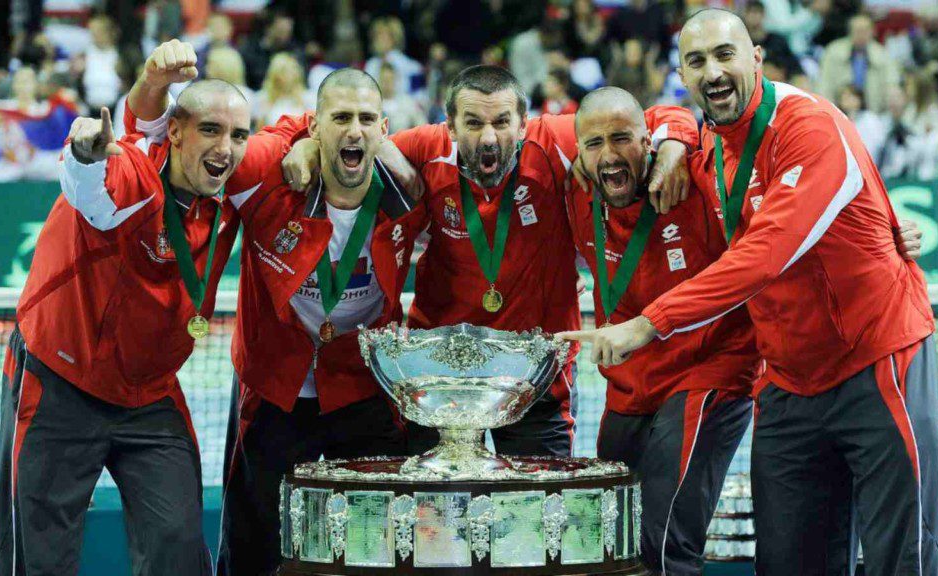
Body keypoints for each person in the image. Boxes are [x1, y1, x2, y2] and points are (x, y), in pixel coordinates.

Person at [560, 9, 938, 576]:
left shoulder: (808, 126)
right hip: (787, 381)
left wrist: (646, 323)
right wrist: (670, 140)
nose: (713, 72)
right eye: (696, 62)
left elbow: (764, 253)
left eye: (724, 54)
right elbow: (662, 123)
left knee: (899, 558)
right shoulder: (706, 151)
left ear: (756, 58)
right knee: (787, 563)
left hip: (877, 357)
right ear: (683, 76)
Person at [282, 64, 698, 459]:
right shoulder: (424, 149)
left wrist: (676, 146)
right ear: (450, 127)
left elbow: (655, 115)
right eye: (474, 123)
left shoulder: (555, 142)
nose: (487, 138)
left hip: (535, 378)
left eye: (501, 122)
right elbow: (343, 130)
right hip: (438, 378)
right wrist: (304, 141)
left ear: (523, 124)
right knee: (435, 523)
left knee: (537, 520)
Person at [124, 42, 424, 576]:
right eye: (339, 119)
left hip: (362, 392)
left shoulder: (408, 191)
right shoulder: (267, 171)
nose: (354, 131)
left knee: (375, 548)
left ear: (384, 131)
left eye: (366, 120)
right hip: (274, 392)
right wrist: (292, 139)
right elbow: (169, 141)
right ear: (316, 127)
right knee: (255, 549)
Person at [0, 73, 252, 575]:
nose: (226, 148)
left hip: (149, 394)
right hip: (59, 381)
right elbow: (88, 187)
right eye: (210, 130)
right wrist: (85, 154)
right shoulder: (132, 171)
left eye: (239, 135)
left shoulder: (232, 184)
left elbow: (297, 138)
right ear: (174, 131)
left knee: (178, 547)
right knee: (41, 560)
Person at [566, 87, 759, 575]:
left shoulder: (693, 177)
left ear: (647, 139)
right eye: (593, 145)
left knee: (664, 542)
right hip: (631, 385)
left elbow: (776, 227)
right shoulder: (575, 194)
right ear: (578, 152)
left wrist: (887, 230)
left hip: (708, 371)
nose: (609, 155)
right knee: (607, 537)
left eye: (622, 138)